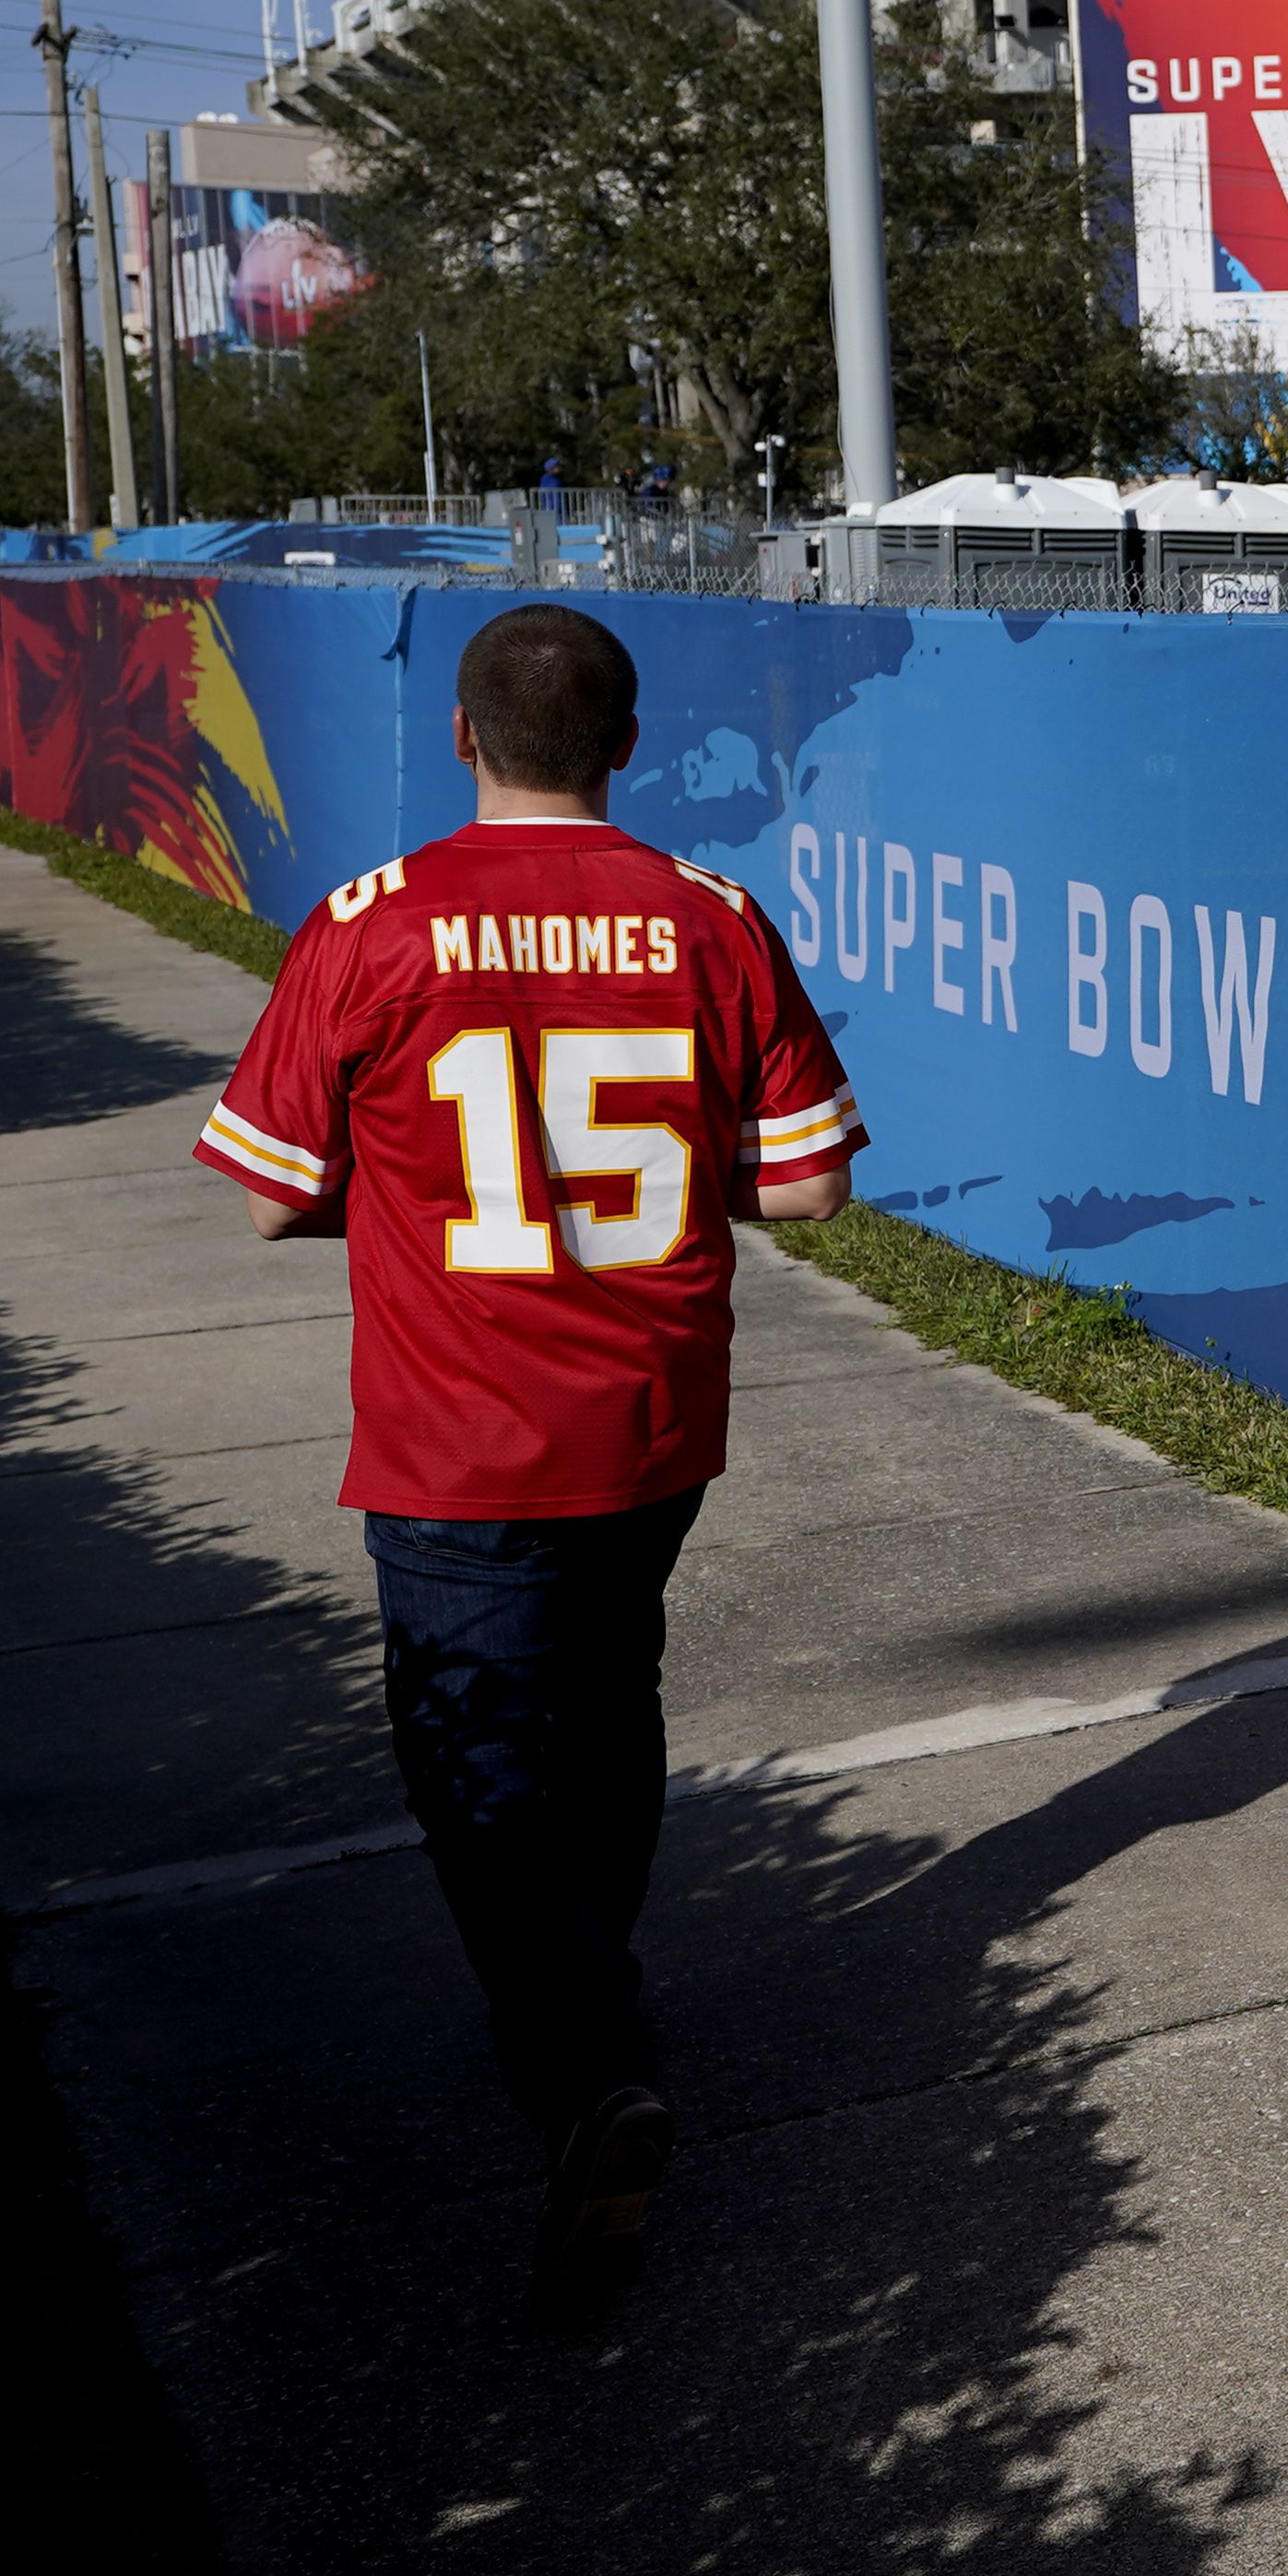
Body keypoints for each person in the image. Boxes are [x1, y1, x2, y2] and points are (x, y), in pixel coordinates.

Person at [191, 604, 863, 2320]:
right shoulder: (713, 917)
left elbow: (268, 1186)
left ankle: (580, 2065)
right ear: (625, 742)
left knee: (469, 1754)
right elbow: (804, 1187)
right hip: (649, 1414)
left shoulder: (370, 923)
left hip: (454, 1430)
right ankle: (594, 1984)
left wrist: (415, 1191)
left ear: (463, 739)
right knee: (607, 1687)